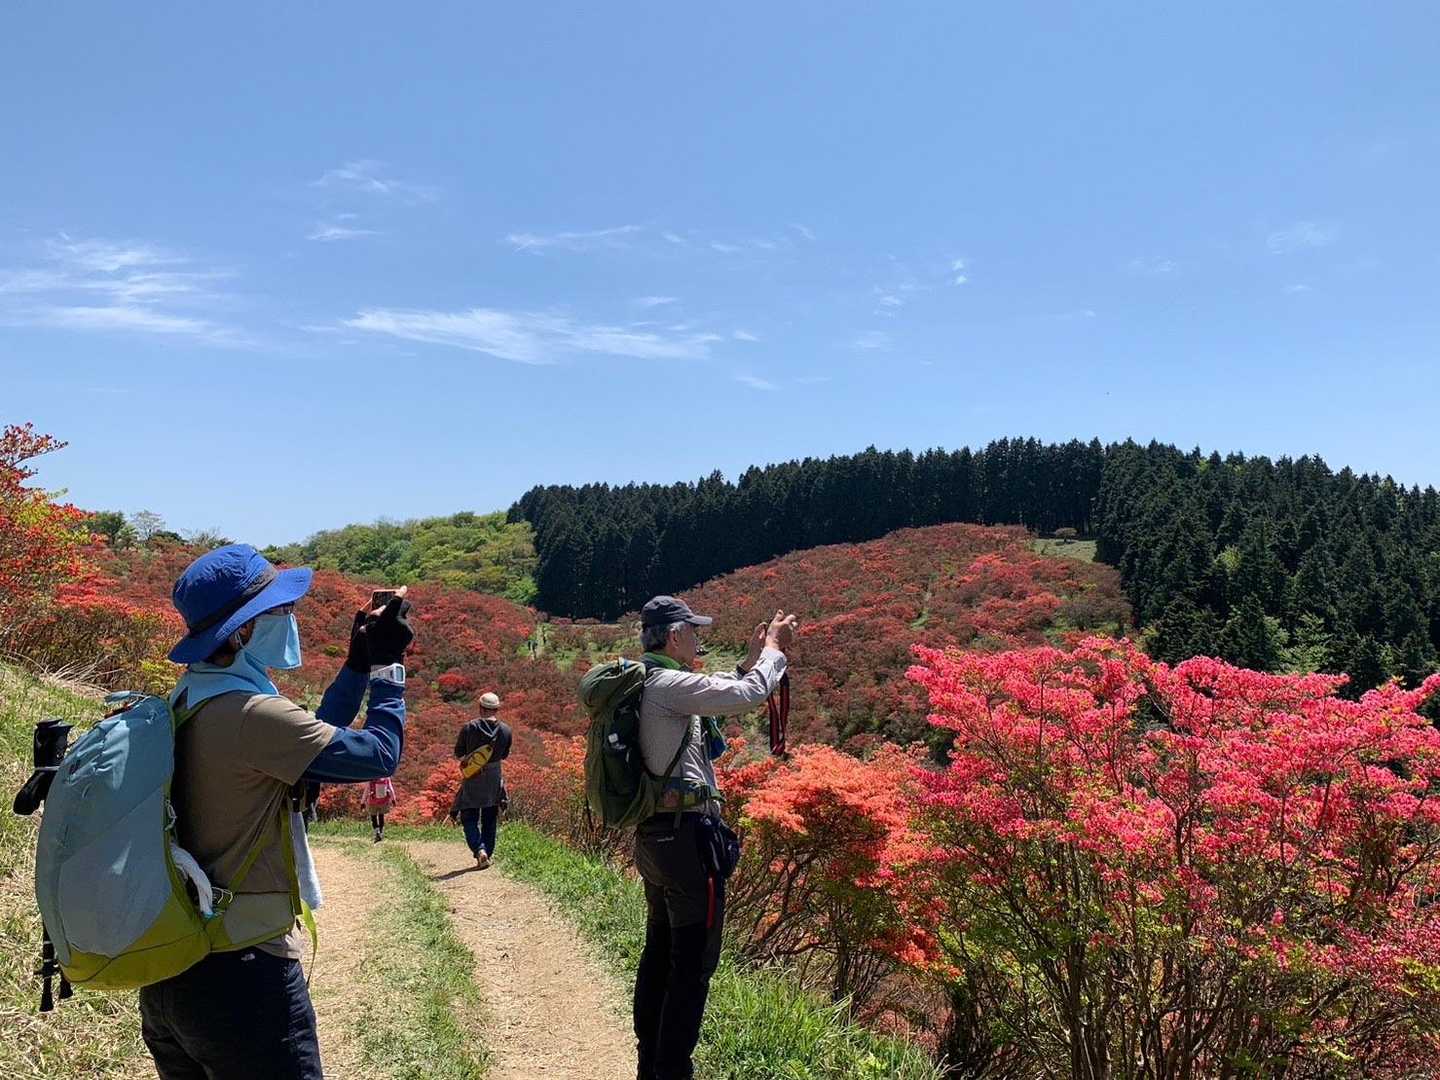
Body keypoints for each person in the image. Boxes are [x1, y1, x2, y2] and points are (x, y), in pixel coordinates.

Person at [140, 544, 413, 1080]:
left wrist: (356, 664)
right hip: (242, 981)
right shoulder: (250, 714)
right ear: (241, 632)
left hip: (172, 973)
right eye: (280, 610)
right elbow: (379, 754)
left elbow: (303, 746)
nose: (291, 618)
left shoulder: (189, 698)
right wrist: (387, 668)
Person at [632, 596, 797, 1080]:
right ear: (674, 635)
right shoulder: (668, 684)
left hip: (656, 839)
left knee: (660, 952)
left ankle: (650, 1063)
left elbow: (721, 687)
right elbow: (746, 695)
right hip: (688, 843)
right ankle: (671, 1070)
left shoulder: (648, 679)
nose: (698, 637)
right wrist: (773, 652)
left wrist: (747, 661)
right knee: (692, 965)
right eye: (693, 629)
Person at [453, 690, 512, 869]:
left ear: (481, 708)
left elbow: (459, 752)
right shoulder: (506, 730)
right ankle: (487, 852)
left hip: (473, 775)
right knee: (490, 818)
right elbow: (505, 755)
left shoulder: (469, 727)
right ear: (497, 709)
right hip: (494, 777)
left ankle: (479, 849)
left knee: (468, 815)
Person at [366, 775, 396, 842]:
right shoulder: (386, 777)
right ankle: (381, 833)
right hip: (383, 801)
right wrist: (393, 799)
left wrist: (362, 802)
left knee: (373, 818)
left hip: (373, 802)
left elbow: (367, 790)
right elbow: (391, 788)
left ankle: (376, 833)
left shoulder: (371, 778)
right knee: (381, 817)